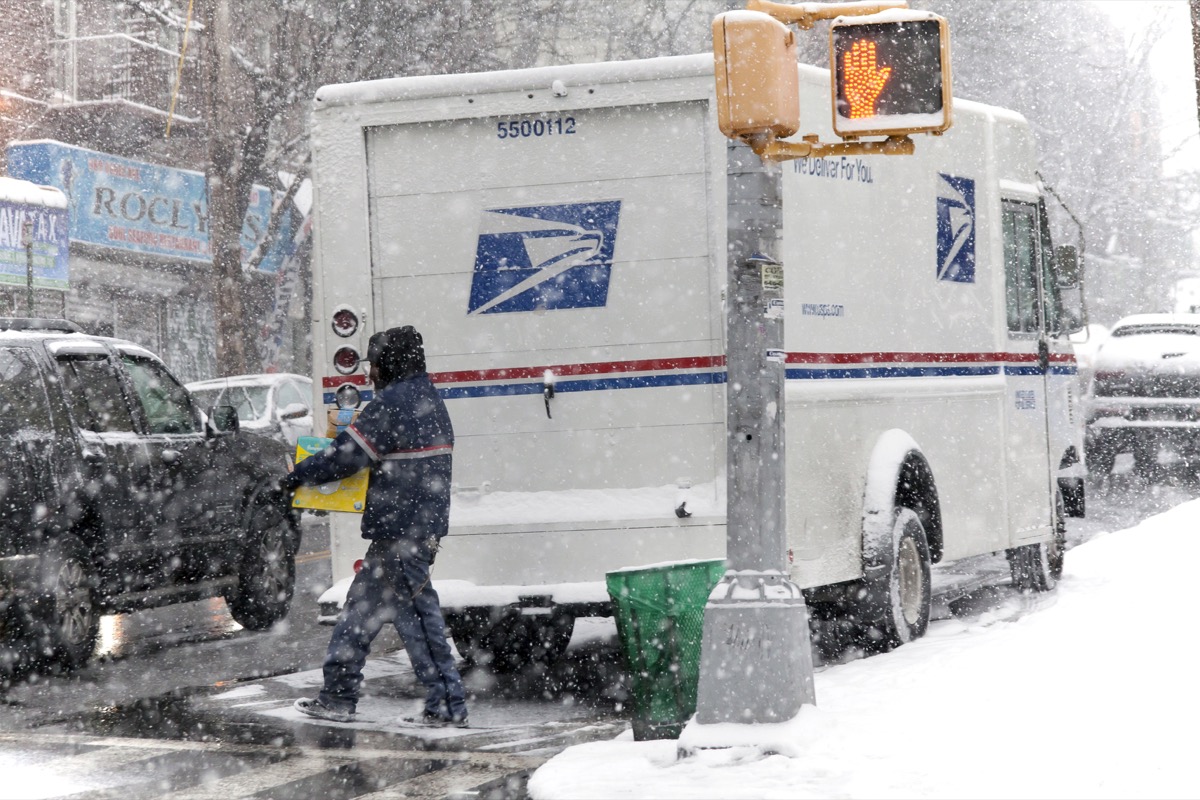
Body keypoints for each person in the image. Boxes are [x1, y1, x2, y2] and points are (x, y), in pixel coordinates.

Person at [282, 325, 468, 727]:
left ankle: (447, 707)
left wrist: (296, 478)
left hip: (404, 532)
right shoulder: (426, 397)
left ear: (390, 363)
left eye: (375, 365)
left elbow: (346, 456)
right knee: (359, 613)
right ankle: (338, 697)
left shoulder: (393, 403)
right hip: (405, 531)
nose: (370, 374)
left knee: (419, 621)